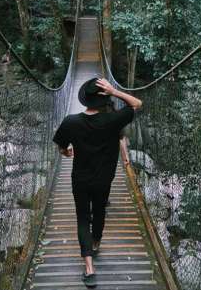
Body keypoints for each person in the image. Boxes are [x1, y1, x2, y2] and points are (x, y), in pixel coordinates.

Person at [52, 77, 142, 288]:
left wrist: (68, 152)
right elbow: (136, 104)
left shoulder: (70, 121)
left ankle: (89, 268)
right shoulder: (114, 120)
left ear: (85, 100)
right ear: (104, 100)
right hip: (103, 180)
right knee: (99, 210)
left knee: (83, 217)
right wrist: (114, 91)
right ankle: (95, 242)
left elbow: (63, 149)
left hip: (80, 180)